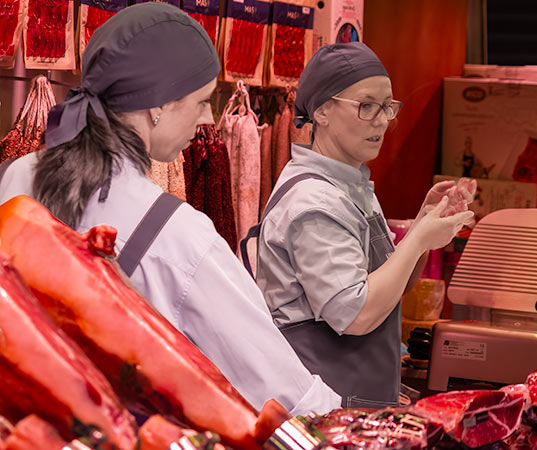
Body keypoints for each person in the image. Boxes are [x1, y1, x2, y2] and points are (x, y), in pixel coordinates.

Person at [0, 3, 340, 415]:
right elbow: (286, 395)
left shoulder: (16, 175)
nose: (208, 118)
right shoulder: (181, 237)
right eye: (200, 101)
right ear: (156, 105)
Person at [254, 42, 476, 408]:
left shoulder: (351, 184)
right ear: (322, 111)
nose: (382, 120)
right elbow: (356, 313)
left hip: (360, 406)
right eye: (366, 106)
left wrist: (424, 222)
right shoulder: (313, 202)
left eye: (387, 106)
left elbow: (389, 287)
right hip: (325, 411)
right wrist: (418, 239)